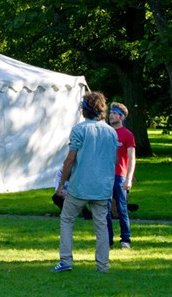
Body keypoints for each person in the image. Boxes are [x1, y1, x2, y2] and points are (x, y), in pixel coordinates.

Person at [51, 91, 119, 273]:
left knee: (66, 220)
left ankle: (66, 261)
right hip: (102, 187)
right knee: (101, 225)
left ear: (85, 110)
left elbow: (69, 160)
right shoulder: (111, 132)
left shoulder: (79, 129)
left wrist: (61, 184)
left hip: (80, 186)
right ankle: (102, 265)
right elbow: (111, 160)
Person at [106, 102, 136, 249]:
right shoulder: (106, 132)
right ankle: (107, 239)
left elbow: (132, 158)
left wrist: (129, 178)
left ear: (121, 117)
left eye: (114, 113)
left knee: (121, 209)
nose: (111, 115)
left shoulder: (127, 135)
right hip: (105, 177)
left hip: (120, 176)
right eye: (110, 112)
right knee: (105, 209)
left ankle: (126, 239)